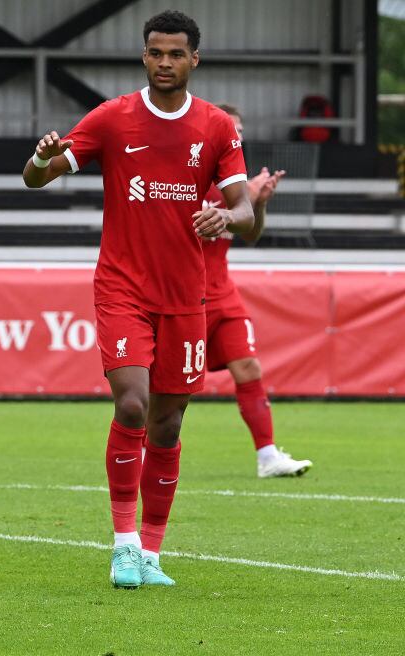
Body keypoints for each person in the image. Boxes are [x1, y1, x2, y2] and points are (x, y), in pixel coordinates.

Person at [22, 11, 254, 588]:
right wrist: (38, 156)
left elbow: (246, 212)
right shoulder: (112, 118)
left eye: (176, 54)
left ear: (194, 59)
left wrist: (225, 213)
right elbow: (37, 177)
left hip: (185, 296)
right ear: (143, 56)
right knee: (132, 404)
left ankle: (152, 551)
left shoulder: (217, 127)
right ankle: (124, 545)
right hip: (123, 286)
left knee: (169, 423)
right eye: (155, 53)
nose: (165, 63)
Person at [202, 104, 311, 478]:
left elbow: (252, 232)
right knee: (169, 385)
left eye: (239, 130)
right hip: (181, 294)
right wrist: (235, 201)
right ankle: (146, 453)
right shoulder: (190, 173)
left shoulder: (234, 181)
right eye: (229, 128)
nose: (235, 136)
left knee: (249, 366)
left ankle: (267, 456)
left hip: (221, 291)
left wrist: (257, 203)